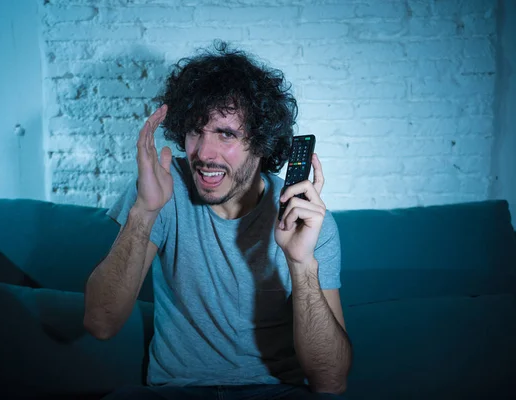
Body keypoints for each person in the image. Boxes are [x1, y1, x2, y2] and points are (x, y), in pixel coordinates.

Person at [84, 41, 352, 400]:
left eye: (226, 134)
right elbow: (100, 323)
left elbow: (331, 382)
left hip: (276, 392)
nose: (204, 154)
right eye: (196, 131)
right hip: (177, 392)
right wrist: (144, 212)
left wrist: (301, 264)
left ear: (262, 143)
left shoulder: (305, 219)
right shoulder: (163, 190)